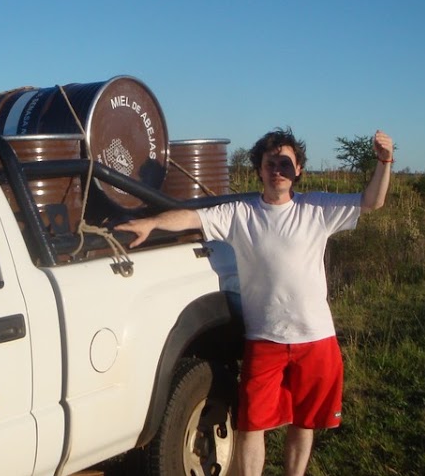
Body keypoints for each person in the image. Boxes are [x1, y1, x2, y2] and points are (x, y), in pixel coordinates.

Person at [115, 127, 393, 476]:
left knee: (303, 423)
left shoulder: (317, 208)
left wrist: (384, 161)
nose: (277, 168)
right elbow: (190, 216)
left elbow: (372, 201)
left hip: (315, 339)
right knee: (250, 425)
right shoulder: (239, 214)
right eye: (270, 162)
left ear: (298, 170)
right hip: (265, 340)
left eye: (285, 163)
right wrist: (152, 223)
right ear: (259, 170)